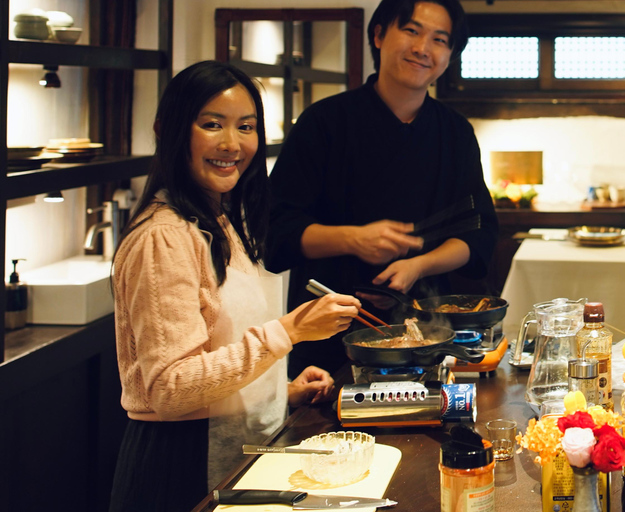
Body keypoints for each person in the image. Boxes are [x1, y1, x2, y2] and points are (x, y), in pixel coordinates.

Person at [108, 60, 361, 512]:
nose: (232, 144)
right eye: (212, 125)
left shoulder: (216, 220)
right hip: (180, 466)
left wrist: (277, 389)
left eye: (246, 127)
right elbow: (170, 387)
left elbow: (215, 347)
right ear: (168, 130)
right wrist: (289, 331)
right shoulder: (163, 236)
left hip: (226, 447)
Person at [265, 0, 499, 378]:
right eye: (411, 30)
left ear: (449, 54)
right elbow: (274, 232)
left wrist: (418, 265)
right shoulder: (323, 123)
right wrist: (351, 239)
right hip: (328, 333)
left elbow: (479, 235)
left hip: (428, 333)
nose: (423, 48)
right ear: (378, 35)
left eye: (440, 39)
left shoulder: (455, 133)